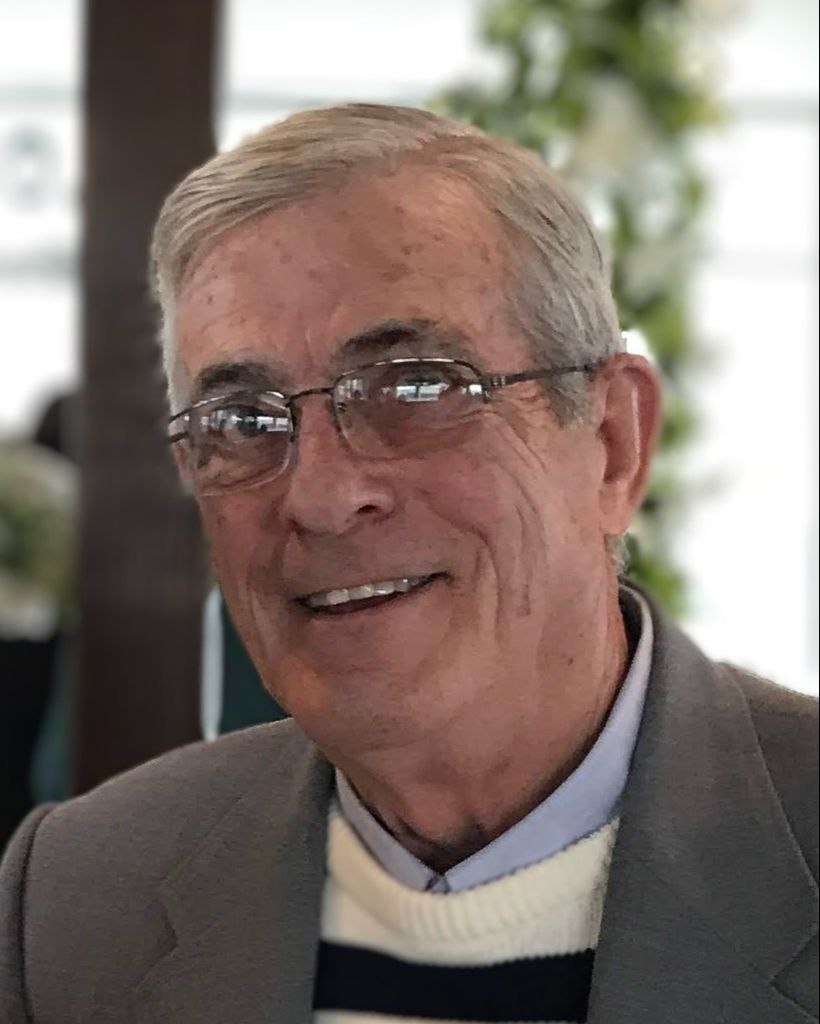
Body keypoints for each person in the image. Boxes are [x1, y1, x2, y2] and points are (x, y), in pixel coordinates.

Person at [1, 104, 816, 1024]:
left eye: (416, 387)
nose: (320, 496)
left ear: (612, 446)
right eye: (243, 421)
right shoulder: (79, 900)